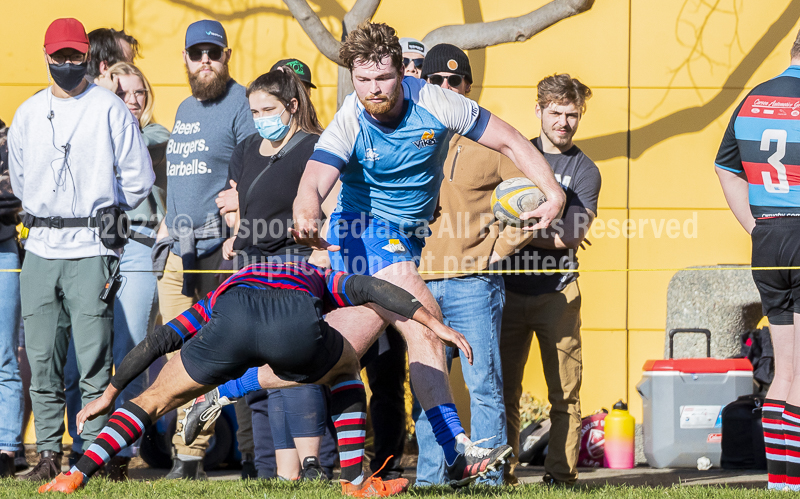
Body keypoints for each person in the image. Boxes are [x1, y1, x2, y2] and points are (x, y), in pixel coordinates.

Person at [289, 21, 565, 487]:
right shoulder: (350, 118)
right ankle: (456, 449)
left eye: (383, 78)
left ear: (402, 72)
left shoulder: (436, 101)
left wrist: (552, 191)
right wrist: (305, 207)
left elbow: (511, 139)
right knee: (426, 320)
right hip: (361, 230)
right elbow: (315, 177)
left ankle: (227, 382)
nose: (373, 90)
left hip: (406, 240)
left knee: (335, 352)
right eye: (363, 80)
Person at [38, 261, 470, 496]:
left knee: (150, 400)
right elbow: (375, 290)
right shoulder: (317, 274)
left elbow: (160, 340)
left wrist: (109, 393)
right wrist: (436, 325)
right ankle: (356, 484)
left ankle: (73, 475)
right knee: (344, 370)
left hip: (232, 320)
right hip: (294, 323)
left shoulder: (223, 289)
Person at [7, 17, 153, 481]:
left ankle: (92, 452)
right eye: (59, 56)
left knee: (93, 358)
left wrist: (107, 209)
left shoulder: (108, 107)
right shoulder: (29, 112)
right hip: (42, 246)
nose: (68, 63)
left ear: (87, 55)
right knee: (44, 356)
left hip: (92, 245)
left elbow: (138, 176)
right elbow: (22, 177)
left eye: (75, 55)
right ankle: (47, 452)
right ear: (46, 55)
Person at [412, 43, 539, 486]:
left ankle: (487, 483)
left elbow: (533, 198)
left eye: (455, 81)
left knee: (483, 386)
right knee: (429, 391)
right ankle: (430, 480)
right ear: (423, 85)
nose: (446, 87)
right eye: (437, 81)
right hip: (420, 283)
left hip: (473, 283)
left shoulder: (492, 138)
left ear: (469, 86)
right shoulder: (411, 134)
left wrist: (497, 251)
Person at [151, 18, 256, 479]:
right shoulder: (182, 107)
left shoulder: (241, 103)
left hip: (219, 249)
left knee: (209, 355)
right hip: (178, 252)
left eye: (213, 52)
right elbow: (184, 178)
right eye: (197, 54)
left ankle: (192, 454)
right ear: (187, 59)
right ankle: (185, 454)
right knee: (176, 356)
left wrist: (240, 219)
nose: (206, 61)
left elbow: (256, 166)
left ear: (226, 55)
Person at [220, 66, 329, 481]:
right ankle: (284, 476)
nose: (261, 115)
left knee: (294, 366)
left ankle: (313, 465)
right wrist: (238, 237)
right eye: (254, 109)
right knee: (268, 373)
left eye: (269, 108)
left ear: (293, 106)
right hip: (250, 268)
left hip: (294, 265)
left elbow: (328, 209)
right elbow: (244, 210)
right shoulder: (249, 147)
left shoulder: (315, 148)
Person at [500, 74, 599, 486]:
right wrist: (546, 233)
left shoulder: (585, 170)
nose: (563, 122)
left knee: (565, 393)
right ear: (538, 109)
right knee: (502, 390)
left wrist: (515, 229)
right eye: (555, 112)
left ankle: (561, 477)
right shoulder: (512, 157)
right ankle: (499, 474)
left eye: (571, 114)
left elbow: (571, 235)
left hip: (558, 294)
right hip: (504, 292)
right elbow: (487, 218)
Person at [715, 30, 800, 492]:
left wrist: (755, 224)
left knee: (784, 370)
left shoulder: (753, 99)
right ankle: (794, 479)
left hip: (766, 237)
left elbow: (724, 165)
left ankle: (781, 482)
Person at [62, 28, 143, 472]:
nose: (130, 95)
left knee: (125, 357)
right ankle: (84, 445)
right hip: (82, 248)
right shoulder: (77, 116)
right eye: (120, 78)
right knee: (79, 360)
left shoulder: (148, 131)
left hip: (131, 248)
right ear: (104, 68)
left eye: (138, 91)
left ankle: (118, 451)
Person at [0, 118, 23, 477]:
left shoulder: (3, 134)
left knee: (5, 355)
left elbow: (12, 195)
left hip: (3, 250)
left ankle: (6, 450)